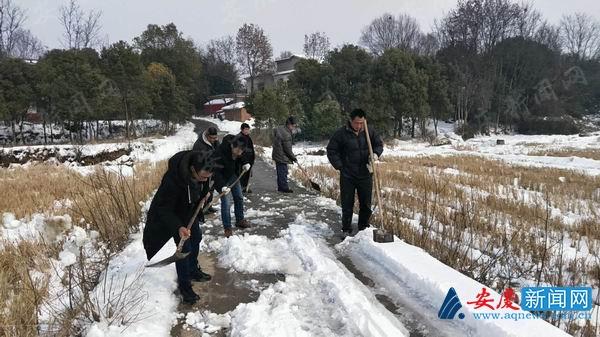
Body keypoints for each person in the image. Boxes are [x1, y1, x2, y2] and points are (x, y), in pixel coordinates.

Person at [143, 150, 218, 305]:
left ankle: (193, 270)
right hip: (175, 216)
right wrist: (178, 227)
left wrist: (206, 195)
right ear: (192, 169)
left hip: (190, 212)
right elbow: (163, 208)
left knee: (196, 237)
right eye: (203, 176)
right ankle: (185, 288)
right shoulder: (173, 180)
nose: (205, 179)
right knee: (183, 250)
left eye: (208, 177)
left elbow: (207, 186)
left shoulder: (204, 173)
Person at [326, 109, 384, 236]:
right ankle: (346, 228)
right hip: (348, 175)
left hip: (365, 173)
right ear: (351, 121)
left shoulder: (370, 131)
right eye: (357, 123)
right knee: (347, 203)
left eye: (361, 123)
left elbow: (379, 145)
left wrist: (375, 154)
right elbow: (331, 150)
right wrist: (340, 166)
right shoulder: (341, 134)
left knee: (366, 203)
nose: (359, 126)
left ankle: (363, 227)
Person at [213, 134, 252, 237]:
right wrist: (222, 186)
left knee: (239, 197)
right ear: (232, 146)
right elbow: (216, 173)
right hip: (222, 179)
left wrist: (245, 163)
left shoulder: (239, 148)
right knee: (226, 203)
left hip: (233, 176)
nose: (240, 152)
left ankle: (240, 220)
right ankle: (227, 228)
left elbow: (242, 156)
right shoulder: (220, 153)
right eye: (238, 150)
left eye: (242, 150)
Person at [193, 127, 220, 214]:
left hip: (212, 168)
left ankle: (209, 206)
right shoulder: (199, 145)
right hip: (203, 170)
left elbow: (219, 150)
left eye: (215, 138)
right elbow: (197, 160)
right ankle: (201, 208)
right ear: (207, 136)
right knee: (203, 190)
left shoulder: (215, 141)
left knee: (211, 188)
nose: (213, 140)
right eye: (211, 138)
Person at [272, 116, 297, 193]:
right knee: (283, 171)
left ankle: (281, 187)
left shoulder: (280, 129)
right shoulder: (286, 134)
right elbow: (287, 149)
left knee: (280, 171)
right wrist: (293, 158)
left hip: (277, 154)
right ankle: (284, 188)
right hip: (281, 155)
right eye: (293, 126)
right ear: (289, 124)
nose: (293, 127)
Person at [238, 123, 255, 193]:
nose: (247, 131)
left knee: (247, 175)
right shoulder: (239, 138)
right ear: (242, 130)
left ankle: (245, 187)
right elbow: (239, 151)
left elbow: (250, 148)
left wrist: (253, 157)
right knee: (242, 174)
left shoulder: (248, 137)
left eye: (248, 129)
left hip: (249, 159)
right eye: (246, 129)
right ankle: (241, 188)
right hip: (242, 160)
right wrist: (244, 161)